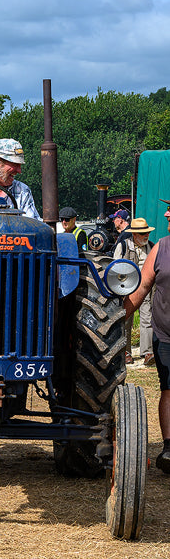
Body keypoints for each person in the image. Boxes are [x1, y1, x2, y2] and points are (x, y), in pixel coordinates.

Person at [124, 200, 170, 472]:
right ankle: (169, 447)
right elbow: (140, 290)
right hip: (166, 337)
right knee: (168, 389)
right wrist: (120, 320)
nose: (166, 213)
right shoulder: (160, 249)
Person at [114, 217, 155, 366]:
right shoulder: (123, 246)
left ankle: (147, 353)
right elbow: (114, 268)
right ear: (134, 235)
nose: (146, 236)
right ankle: (126, 352)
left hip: (146, 288)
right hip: (126, 289)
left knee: (147, 318)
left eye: (147, 233)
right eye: (143, 233)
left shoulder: (151, 246)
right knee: (125, 320)